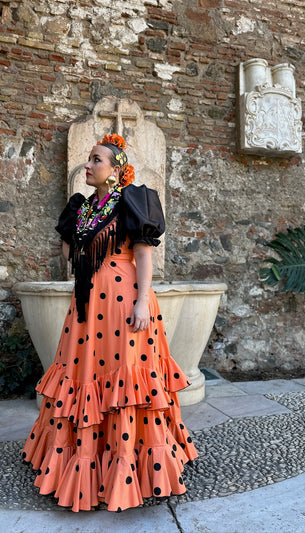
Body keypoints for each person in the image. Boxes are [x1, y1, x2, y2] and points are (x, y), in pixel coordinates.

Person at [22, 133, 198, 512]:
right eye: (88, 159)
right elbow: (72, 253)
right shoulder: (83, 207)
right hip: (87, 302)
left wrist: (141, 303)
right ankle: (80, 456)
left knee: (127, 376)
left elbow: (144, 254)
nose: (87, 165)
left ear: (115, 170)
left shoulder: (132, 201)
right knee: (82, 374)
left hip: (122, 300)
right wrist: (71, 234)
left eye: (96, 160)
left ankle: (134, 463)